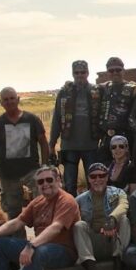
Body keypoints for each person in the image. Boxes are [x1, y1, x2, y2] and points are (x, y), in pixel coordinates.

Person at [0, 87, 49, 219]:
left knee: (41, 206)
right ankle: (18, 240)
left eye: (12, 98)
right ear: (1, 102)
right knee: (14, 213)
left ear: (18, 99)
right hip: (8, 175)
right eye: (6, 99)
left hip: (32, 171)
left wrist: (45, 166)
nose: (9, 102)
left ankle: (43, 237)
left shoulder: (32, 119)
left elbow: (43, 142)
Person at [73, 162, 131, 270]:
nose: (97, 179)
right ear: (88, 179)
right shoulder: (80, 199)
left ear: (107, 177)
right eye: (93, 177)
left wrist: (112, 219)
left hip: (114, 240)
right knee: (79, 225)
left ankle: (119, 268)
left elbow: (124, 205)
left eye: (101, 176)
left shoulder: (118, 192)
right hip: (94, 243)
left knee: (124, 220)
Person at [49, 60, 102, 196]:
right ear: (72, 74)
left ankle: (93, 212)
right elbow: (56, 118)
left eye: (82, 72)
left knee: (94, 182)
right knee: (70, 183)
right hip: (69, 145)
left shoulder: (97, 91)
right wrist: (52, 144)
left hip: (90, 145)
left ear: (88, 73)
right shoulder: (64, 93)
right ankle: (71, 212)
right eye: (76, 73)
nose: (80, 75)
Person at [97, 56, 136, 159]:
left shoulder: (134, 90)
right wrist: (69, 84)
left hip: (125, 136)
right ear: (107, 72)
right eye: (111, 70)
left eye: (118, 70)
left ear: (123, 71)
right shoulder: (104, 87)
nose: (115, 73)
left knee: (126, 168)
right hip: (107, 137)